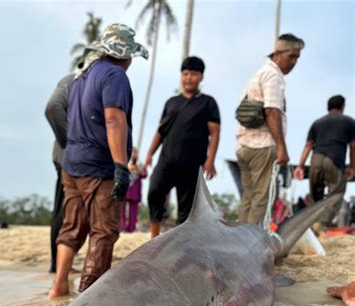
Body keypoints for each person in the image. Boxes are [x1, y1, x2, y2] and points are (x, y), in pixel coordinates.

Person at [49, 24, 148, 297]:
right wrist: (120, 165)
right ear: (125, 55)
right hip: (98, 165)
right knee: (103, 231)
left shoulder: (82, 76)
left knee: (72, 226)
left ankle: (59, 284)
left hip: (72, 164)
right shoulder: (115, 75)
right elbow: (113, 118)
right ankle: (89, 296)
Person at [144, 56, 221, 238]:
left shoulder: (208, 103)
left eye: (193, 74)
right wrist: (149, 154)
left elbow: (215, 132)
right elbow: (161, 131)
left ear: (201, 77)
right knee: (154, 192)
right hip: (167, 161)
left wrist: (210, 160)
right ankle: (154, 238)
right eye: (185, 74)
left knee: (186, 209)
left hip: (192, 164)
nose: (188, 78)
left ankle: (182, 244)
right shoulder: (172, 102)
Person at [236, 33, 304, 225]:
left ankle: (238, 244)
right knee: (260, 200)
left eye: (297, 58)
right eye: (291, 56)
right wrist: (281, 147)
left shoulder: (258, 74)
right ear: (277, 54)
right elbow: (272, 111)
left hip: (244, 144)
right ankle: (251, 248)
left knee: (248, 199)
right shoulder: (274, 76)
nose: (294, 62)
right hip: (262, 145)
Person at [294, 95, 355, 228]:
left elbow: (308, 145)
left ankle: (313, 223)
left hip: (315, 160)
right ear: (342, 106)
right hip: (334, 160)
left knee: (317, 198)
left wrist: (300, 166)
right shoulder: (349, 121)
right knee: (337, 194)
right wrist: (352, 166)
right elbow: (353, 146)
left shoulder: (317, 123)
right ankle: (321, 225)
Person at [45, 73, 74, 273]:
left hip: (74, 156)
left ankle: (62, 265)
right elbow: (52, 107)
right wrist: (71, 140)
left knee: (69, 210)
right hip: (68, 156)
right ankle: (57, 265)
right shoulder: (72, 81)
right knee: (64, 210)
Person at [121, 147, 146, 233]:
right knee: (122, 209)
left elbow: (144, 175)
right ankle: (122, 227)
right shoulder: (125, 163)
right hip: (126, 189)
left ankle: (131, 228)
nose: (133, 154)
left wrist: (139, 169)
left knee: (133, 211)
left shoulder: (140, 164)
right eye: (132, 152)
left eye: (134, 152)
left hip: (135, 191)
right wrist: (128, 168)